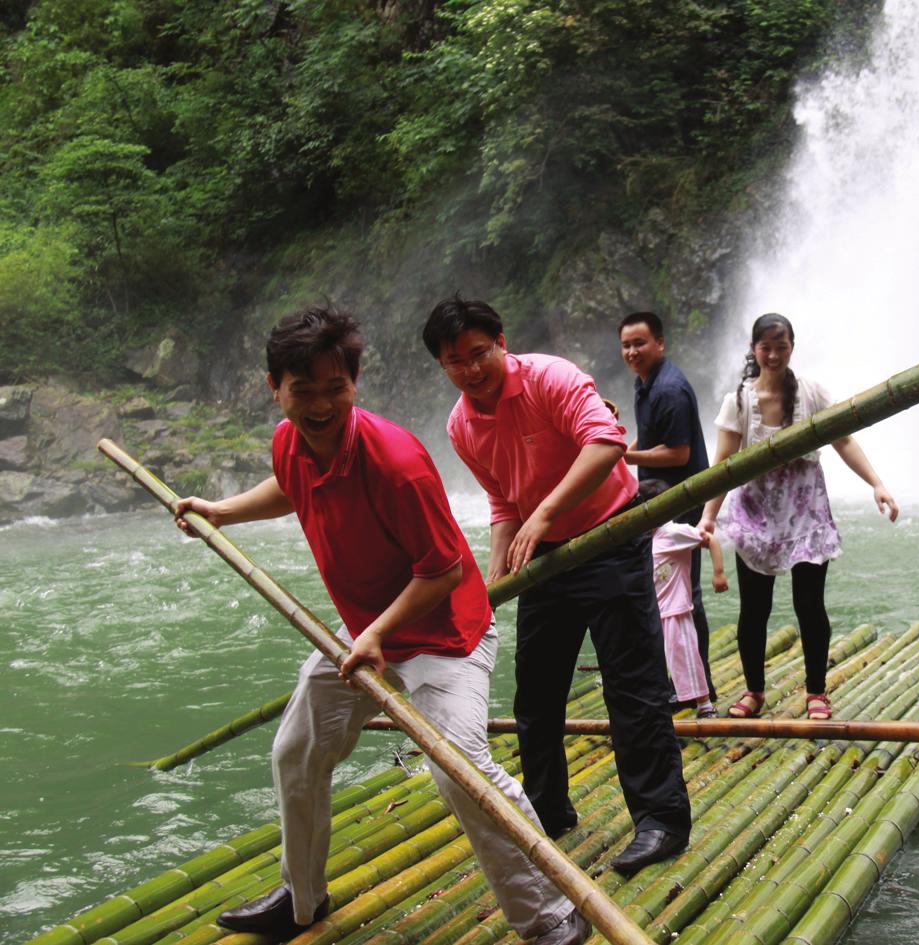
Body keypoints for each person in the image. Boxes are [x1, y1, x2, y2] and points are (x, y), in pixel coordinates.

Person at [174, 306, 586, 945]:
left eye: (334, 389)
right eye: (302, 390)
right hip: (368, 635)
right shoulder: (291, 440)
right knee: (296, 751)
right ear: (273, 387)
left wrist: (373, 635)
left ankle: (551, 914)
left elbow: (445, 572)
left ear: (354, 385)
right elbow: (292, 484)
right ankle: (301, 900)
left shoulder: (395, 460)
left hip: (447, 637)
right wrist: (221, 511)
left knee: (461, 771)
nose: (319, 405)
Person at [424, 295, 691, 876]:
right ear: (442, 366)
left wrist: (542, 514)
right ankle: (548, 807)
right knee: (537, 695)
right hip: (545, 559)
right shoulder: (460, 424)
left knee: (633, 686)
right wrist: (499, 563)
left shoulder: (551, 377)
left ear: (501, 341)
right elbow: (502, 497)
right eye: (454, 361)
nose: (471, 369)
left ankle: (661, 822)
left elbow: (606, 442)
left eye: (478, 353)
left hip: (609, 538)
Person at [697, 313, 899, 722]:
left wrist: (876, 483)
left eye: (781, 346)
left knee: (809, 605)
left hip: (805, 509)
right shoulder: (738, 401)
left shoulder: (812, 393)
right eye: (765, 347)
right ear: (754, 349)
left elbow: (842, 439)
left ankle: (816, 693)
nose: (773, 354)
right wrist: (708, 517)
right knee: (754, 609)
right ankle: (754, 691)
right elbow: (723, 464)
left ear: (792, 347)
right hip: (755, 512)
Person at [618, 311, 717, 702]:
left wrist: (625, 458)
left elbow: (678, 454)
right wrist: (629, 453)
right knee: (666, 596)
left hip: (681, 502)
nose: (632, 351)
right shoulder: (646, 383)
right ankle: (680, 683)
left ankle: (698, 688)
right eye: (626, 344)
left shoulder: (668, 390)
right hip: (660, 502)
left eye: (640, 343)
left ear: (659, 343)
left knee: (685, 597)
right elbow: (650, 436)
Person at [639, 478, 728, 719]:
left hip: (676, 611)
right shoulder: (647, 536)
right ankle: (673, 697)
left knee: (687, 657)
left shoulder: (673, 532)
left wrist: (718, 573)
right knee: (663, 661)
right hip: (655, 611)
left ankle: (705, 705)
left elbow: (709, 539)